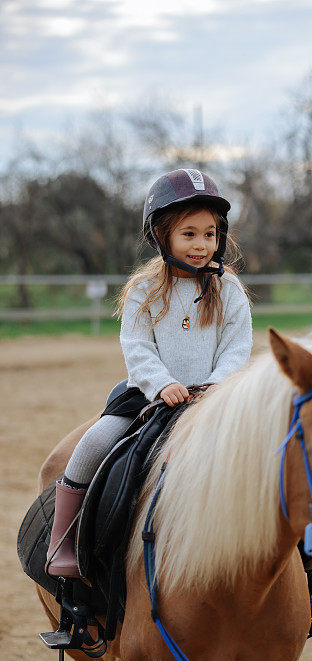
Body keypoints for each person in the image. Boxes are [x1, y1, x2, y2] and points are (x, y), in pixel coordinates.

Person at [46, 168, 253, 578]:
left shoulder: (229, 290)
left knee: (277, 445)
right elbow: (137, 348)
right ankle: (62, 542)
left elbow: (237, 348)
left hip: (214, 398)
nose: (202, 244)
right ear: (162, 235)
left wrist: (216, 386)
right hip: (149, 394)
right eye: (189, 233)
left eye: (210, 233)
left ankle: (305, 550)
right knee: (92, 444)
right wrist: (163, 384)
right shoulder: (144, 290)